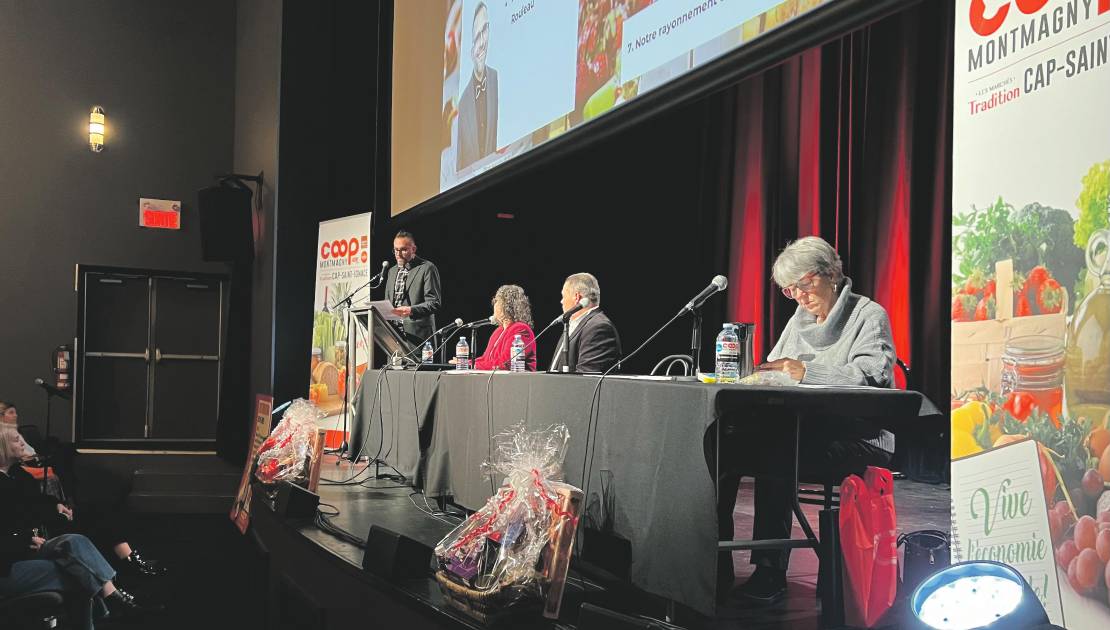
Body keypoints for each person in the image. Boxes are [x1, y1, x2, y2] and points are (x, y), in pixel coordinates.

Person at [717, 236, 896, 604]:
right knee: (721, 446)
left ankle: (770, 570)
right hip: (804, 430)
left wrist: (806, 373)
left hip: (861, 435)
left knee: (779, 448)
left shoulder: (868, 314)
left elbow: (871, 376)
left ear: (831, 272)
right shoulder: (798, 320)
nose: (798, 295)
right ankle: (714, 562)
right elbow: (776, 366)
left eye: (804, 284)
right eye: (789, 289)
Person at [0, 430, 162, 627]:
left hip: (26, 549)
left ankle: (115, 600)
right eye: (17, 441)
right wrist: (23, 540)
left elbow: (36, 504)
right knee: (78, 573)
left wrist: (54, 506)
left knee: (76, 540)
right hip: (7, 564)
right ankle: (115, 601)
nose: (24, 444)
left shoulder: (17, 474)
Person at [549, 273, 622, 374]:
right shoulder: (572, 324)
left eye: (563, 296)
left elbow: (585, 380)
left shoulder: (599, 327)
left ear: (577, 297)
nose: (561, 301)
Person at [456, 1, 499, 171]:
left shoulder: (497, 80)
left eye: (485, 30)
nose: (481, 42)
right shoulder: (462, 104)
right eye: (476, 37)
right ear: (469, 49)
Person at [383, 231, 442, 346]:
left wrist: (411, 310)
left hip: (418, 337)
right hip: (394, 337)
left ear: (413, 249)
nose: (398, 254)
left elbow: (434, 303)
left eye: (403, 250)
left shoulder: (426, 268)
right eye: (395, 250)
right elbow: (388, 302)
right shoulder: (392, 271)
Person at [473, 285, 537, 371]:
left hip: (518, 381)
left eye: (497, 301)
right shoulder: (498, 331)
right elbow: (486, 359)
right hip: (497, 380)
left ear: (507, 306)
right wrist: (465, 363)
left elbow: (506, 363)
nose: (494, 304)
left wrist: (475, 366)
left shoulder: (521, 329)